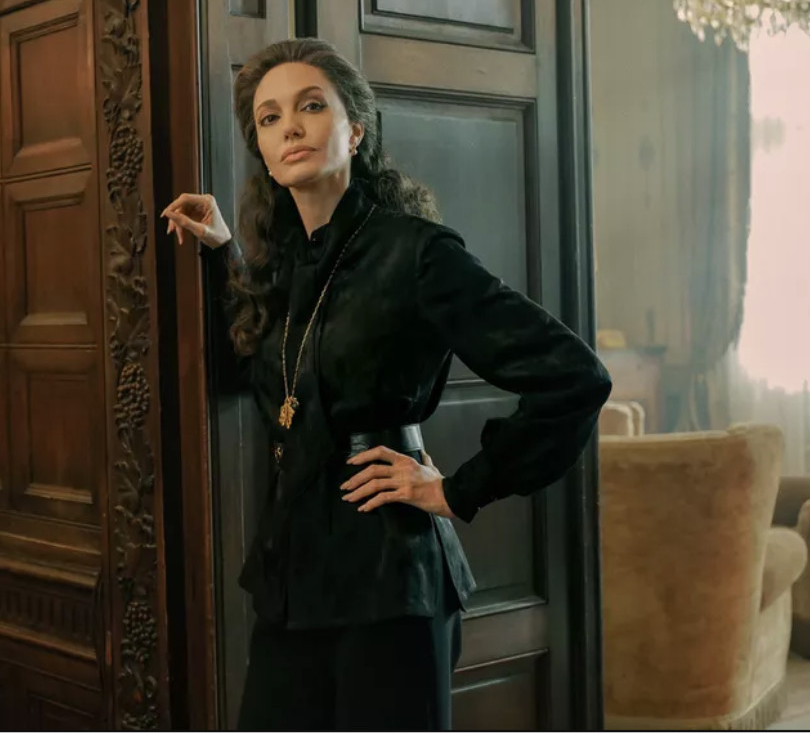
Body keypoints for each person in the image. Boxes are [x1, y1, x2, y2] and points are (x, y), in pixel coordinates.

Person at [161, 38, 612, 731]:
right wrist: (225, 255)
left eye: (312, 106)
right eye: (270, 117)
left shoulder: (418, 252)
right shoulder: (285, 266)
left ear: (355, 130)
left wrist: (458, 489)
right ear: (262, 149)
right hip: (293, 579)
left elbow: (575, 377)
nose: (290, 127)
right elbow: (251, 383)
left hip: (391, 582)